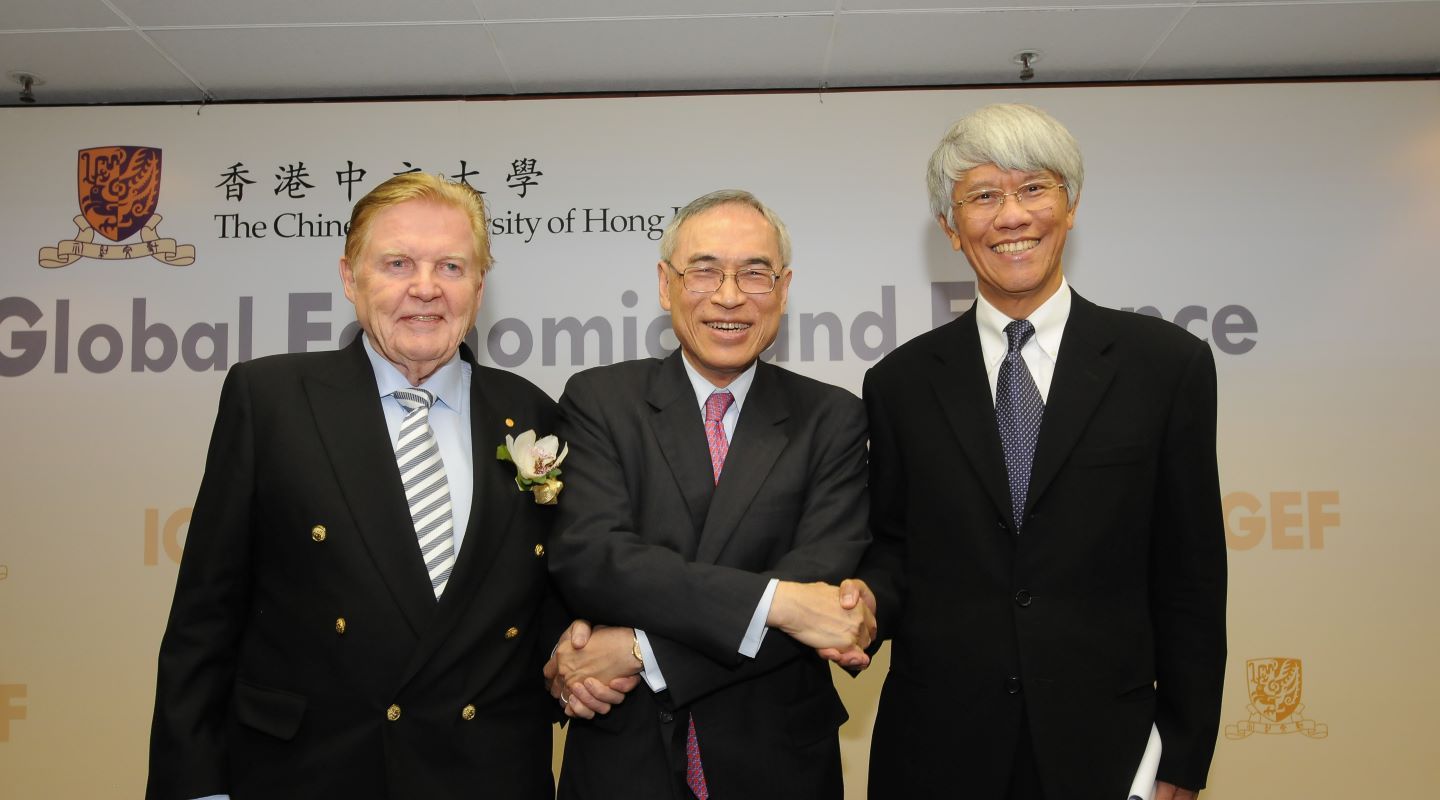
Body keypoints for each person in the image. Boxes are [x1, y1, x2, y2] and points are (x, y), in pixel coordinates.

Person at [146, 173, 604, 799]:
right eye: (397, 263)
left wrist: (575, 657)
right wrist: (196, 788)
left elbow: (548, 604)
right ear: (349, 278)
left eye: (450, 265)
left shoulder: (535, 416)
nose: (425, 287)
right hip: (309, 774)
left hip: (485, 775)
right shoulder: (272, 400)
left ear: (478, 285)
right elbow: (205, 617)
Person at [848, 104, 1227, 800]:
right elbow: (893, 548)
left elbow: (1191, 575)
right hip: (936, 748)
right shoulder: (899, 383)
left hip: (1108, 748)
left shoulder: (1165, 366)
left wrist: (1185, 754)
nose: (1012, 216)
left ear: (1070, 205)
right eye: (983, 196)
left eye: (1033, 189)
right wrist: (859, 608)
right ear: (951, 229)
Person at [545, 189, 875, 800]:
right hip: (626, 759)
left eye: (755, 273)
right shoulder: (601, 400)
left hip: (776, 760)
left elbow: (820, 581)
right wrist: (780, 604)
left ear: (783, 287)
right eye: (704, 271)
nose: (730, 296)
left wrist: (643, 652)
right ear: (666, 285)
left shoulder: (832, 418)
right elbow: (595, 560)